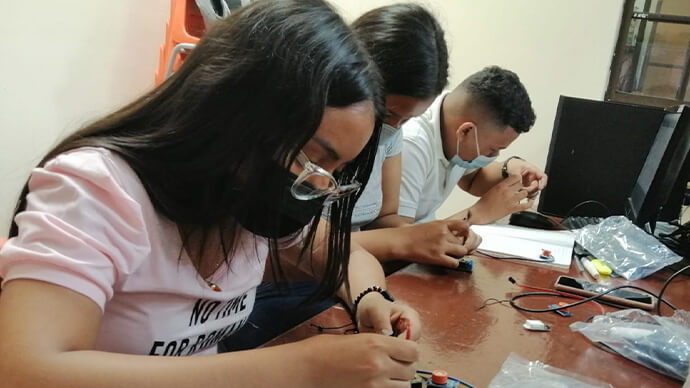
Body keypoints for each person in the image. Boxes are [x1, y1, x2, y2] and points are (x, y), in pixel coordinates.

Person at [0, 1, 422, 387]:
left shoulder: (247, 202)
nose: (315, 184)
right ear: (234, 111)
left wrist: (372, 300)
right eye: (312, 158)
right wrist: (298, 367)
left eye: (334, 172)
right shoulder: (99, 188)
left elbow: (347, 254)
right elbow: (27, 370)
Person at [348, 3, 480, 269]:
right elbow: (299, 246)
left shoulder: (391, 133)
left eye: (406, 120)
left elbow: (385, 218)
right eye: (387, 114)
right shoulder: (321, 135)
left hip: (351, 269)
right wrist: (405, 241)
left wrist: (435, 233)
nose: (395, 128)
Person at [396, 65, 546, 228]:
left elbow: (472, 180)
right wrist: (479, 213)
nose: (493, 156)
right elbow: (397, 239)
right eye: (492, 149)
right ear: (466, 131)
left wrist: (508, 169)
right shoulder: (411, 144)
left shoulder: (454, 118)